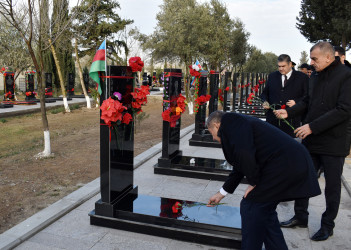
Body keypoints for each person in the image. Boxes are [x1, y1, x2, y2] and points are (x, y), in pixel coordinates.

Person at [207, 111, 321, 250]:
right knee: (264, 211)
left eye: (210, 132)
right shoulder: (235, 124)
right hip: (287, 163)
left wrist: (254, 182)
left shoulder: (231, 121)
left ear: (216, 124)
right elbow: (240, 163)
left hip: (286, 165)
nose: (213, 137)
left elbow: (245, 154)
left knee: (251, 206)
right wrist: (222, 193)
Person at [274, 41, 351, 241]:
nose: (311, 62)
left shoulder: (346, 75)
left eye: (314, 59)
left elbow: (344, 109)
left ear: (328, 57)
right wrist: (288, 112)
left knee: (332, 186)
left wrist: (312, 127)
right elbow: (308, 101)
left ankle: (328, 225)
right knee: (302, 176)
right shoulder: (315, 75)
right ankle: (301, 216)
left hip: (333, 142)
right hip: (312, 139)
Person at [260, 54, 309, 137]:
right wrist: (264, 101)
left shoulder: (302, 77)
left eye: (283, 66)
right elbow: (264, 94)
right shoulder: (272, 76)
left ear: (290, 64)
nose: (281, 69)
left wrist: (297, 102)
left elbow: (308, 96)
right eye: (279, 66)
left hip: (291, 121)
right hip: (272, 121)